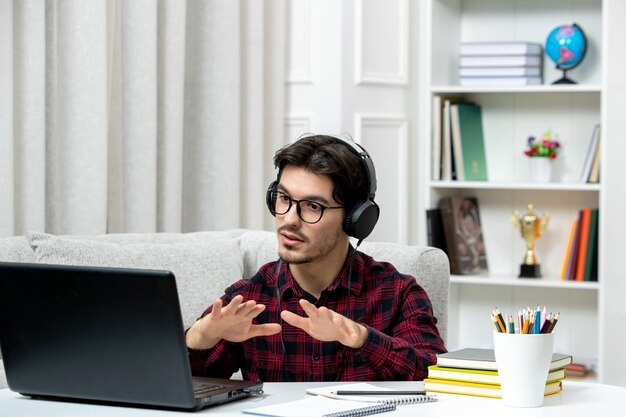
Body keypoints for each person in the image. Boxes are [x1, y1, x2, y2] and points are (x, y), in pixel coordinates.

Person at [186, 134, 446, 381]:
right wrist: (200, 337)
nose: (289, 220)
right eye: (284, 198)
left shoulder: (398, 294)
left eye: (313, 206)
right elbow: (178, 384)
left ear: (354, 219)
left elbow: (439, 377)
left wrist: (362, 339)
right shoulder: (249, 300)